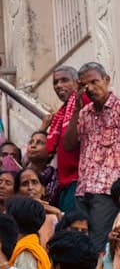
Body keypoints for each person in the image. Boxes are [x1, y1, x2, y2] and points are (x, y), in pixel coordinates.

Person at [63, 61, 120, 253]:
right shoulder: (84, 112)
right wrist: (77, 110)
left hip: (107, 191)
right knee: (80, 247)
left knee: (97, 246)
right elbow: (69, 144)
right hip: (83, 189)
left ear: (107, 80)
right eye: (85, 85)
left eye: (95, 82)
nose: (90, 88)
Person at [45, 65, 83, 211]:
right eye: (55, 82)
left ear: (76, 83)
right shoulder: (61, 113)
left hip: (79, 181)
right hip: (65, 182)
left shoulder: (83, 101)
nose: (58, 85)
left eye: (64, 80)